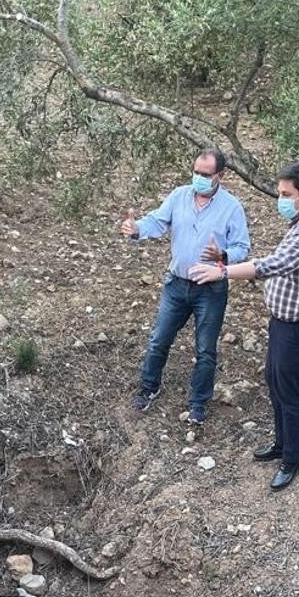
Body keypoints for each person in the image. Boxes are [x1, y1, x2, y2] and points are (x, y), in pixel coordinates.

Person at [189, 162, 299, 491]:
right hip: (285, 321)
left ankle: (292, 460)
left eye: (287, 194)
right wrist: (228, 260)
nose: (281, 200)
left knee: (291, 390)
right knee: (274, 380)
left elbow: (274, 264)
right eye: (280, 193)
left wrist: (223, 272)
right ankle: (282, 445)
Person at [120, 147, 251, 424]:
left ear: (220, 175)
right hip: (177, 284)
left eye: (206, 174)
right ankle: (148, 388)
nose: (199, 178)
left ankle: (198, 404)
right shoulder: (179, 196)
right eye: (196, 172)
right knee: (159, 339)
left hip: (211, 289)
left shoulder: (232, 207)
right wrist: (137, 229)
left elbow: (242, 247)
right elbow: (157, 221)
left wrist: (224, 257)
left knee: (205, 349)